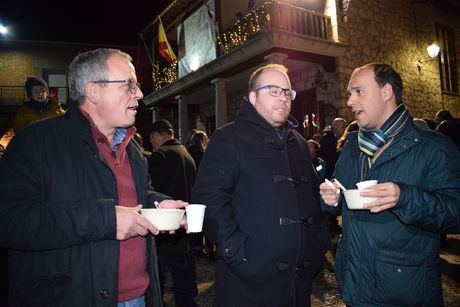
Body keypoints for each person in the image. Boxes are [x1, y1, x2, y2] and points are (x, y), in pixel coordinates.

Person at [0, 48, 187, 307]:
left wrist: (158, 203)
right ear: (92, 91)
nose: (140, 94)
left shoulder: (132, 148)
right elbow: (11, 221)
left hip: (140, 297)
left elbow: (136, 196)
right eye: (129, 85)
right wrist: (106, 220)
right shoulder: (35, 142)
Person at [319, 63, 460, 306]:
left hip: (405, 292)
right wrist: (332, 199)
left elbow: (455, 213)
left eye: (358, 91)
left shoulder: (434, 147)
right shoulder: (352, 146)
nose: (350, 101)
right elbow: (340, 196)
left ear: (386, 92)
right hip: (353, 286)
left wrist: (404, 197)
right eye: (350, 93)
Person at [191, 64, 329, 306]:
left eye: (287, 92)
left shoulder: (297, 141)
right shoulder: (228, 138)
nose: (283, 98)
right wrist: (238, 253)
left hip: (298, 284)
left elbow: (309, 198)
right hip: (247, 285)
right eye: (273, 90)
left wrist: (317, 244)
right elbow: (208, 200)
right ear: (253, 97)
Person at [148, 120, 198, 307]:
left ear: (156, 136)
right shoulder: (187, 154)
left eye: (151, 140)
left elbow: (150, 190)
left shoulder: (160, 155)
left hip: (166, 228)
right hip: (186, 225)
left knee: (158, 278)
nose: (152, 145)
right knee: (184, 278)